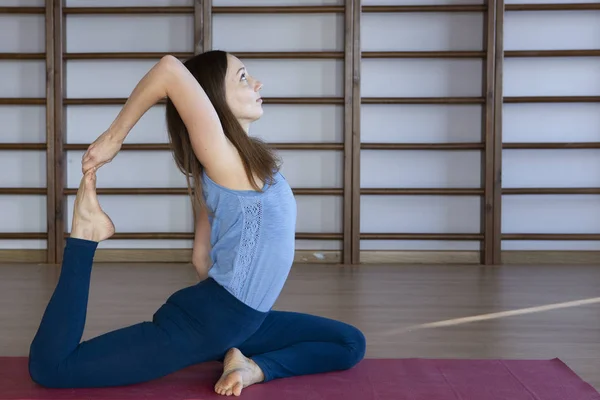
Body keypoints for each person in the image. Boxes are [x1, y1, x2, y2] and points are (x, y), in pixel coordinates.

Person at [28, 50, 366, 397]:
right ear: (212, 98)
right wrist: (113, 139)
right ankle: (85, 234)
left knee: (350, 342)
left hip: (238, 320)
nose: (257, 83)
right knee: (51, 367)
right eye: (242, 77)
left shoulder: (242, 164)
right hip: (207, 324)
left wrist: (230, 328)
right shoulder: (225, 160)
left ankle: (251, 366)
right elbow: (169, 69)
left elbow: (201, 258)